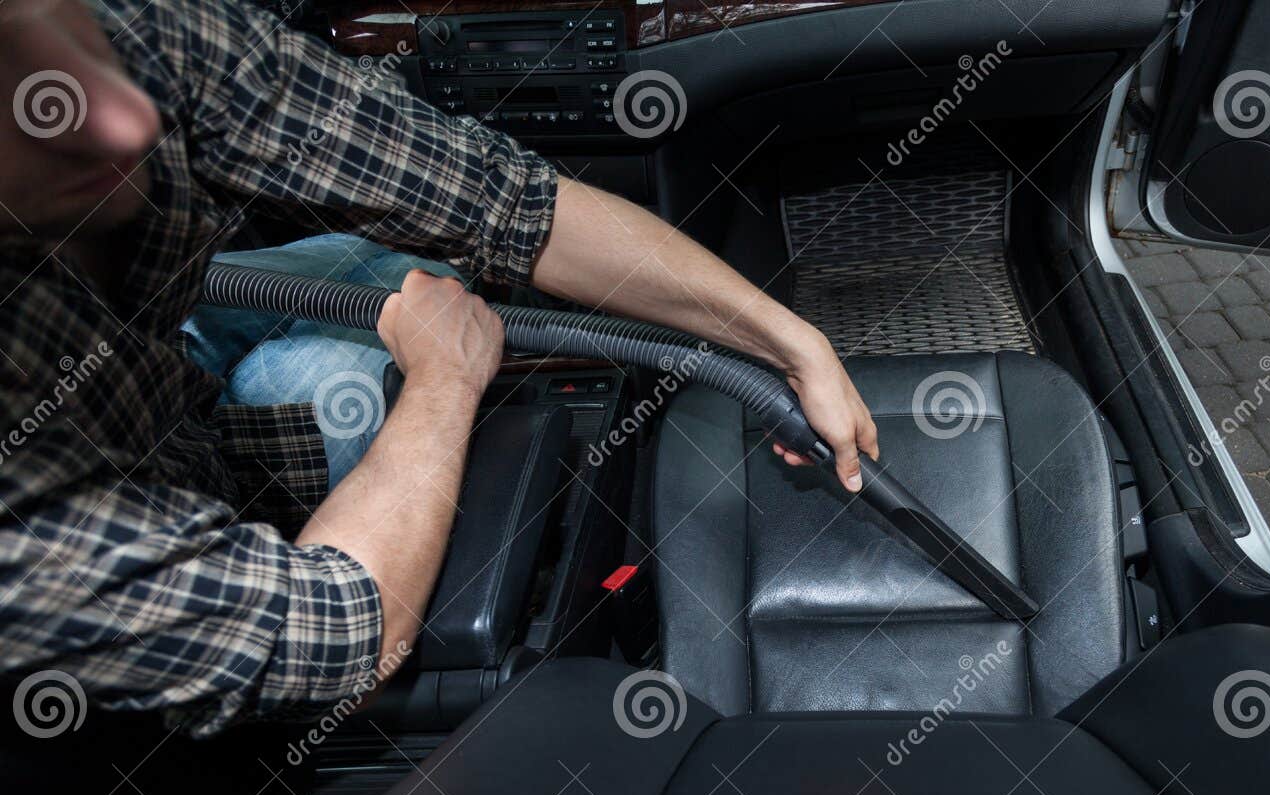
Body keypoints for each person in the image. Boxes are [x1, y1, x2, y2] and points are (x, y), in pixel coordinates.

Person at [0, 0, 878, 735]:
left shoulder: (136, 40)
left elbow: (507, 204)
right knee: (345, 382)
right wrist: (444, 381)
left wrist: (785, 340)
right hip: (156, 490)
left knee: (415, 276)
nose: (123, 116)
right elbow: (330, 643)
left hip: (163, 347)